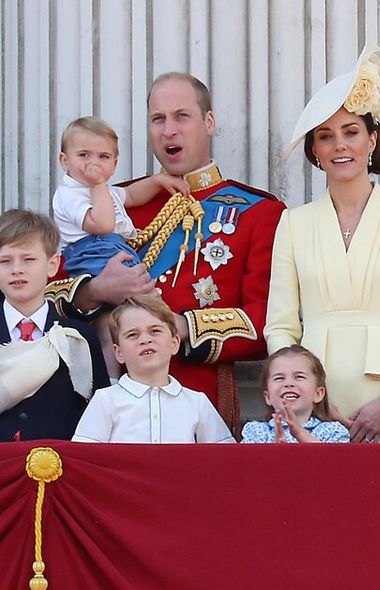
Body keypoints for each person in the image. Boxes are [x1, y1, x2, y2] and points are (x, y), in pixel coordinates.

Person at [62, 72, 285, 427]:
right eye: (158, 119)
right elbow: (43, 291)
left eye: (182, 116)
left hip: (199, 400)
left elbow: (269, 323)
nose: (169, 130)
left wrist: (180, 327)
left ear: (208, 122)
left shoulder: (258, 212)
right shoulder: (112, 202)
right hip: (110, 402)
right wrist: (94, 291)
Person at [264, 43, 380, 443]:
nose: (339, 145)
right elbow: (280, 326)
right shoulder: (293, 223)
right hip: (311, 404)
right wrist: (303, 395)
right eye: (326, 137)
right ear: (315, 150)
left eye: (351, 132)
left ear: (372, 139)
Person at [0, 209, 106, 441]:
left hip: (63, 469)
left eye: (28, 259)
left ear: (52, 264)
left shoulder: (79, 337)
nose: (16, 269)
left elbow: (99, 414)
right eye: (5, 261)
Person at [73, 294, 233, 442]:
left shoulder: (197, 403)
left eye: (155, 331)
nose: (145, 340)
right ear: (119, 352)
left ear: (174, 343)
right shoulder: (105, 400)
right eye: (133, 335)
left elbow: (225, 459)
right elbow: (84, 458)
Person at [50, 116, 186, 277]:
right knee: (134, 292)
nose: (94, 163)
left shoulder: (105, 191)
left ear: (114, 165)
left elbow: (132, 195)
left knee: (142, 291)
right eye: (84, 155)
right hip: (91, 255)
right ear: (65, 161)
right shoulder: (68, 194)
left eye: (103, 157)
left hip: (113, 251)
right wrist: (98, 185)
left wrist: (157, 181)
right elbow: (103, 226)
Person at [240, 345, 350, 443]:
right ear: (267, 397)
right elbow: (246, 465)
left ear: (318, 394)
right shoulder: (256, 432)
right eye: (279, 378)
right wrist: (273, 453)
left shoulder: (333, 432)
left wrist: (300, 433)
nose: (288, 383)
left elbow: (333, 463)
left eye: (299, 377)